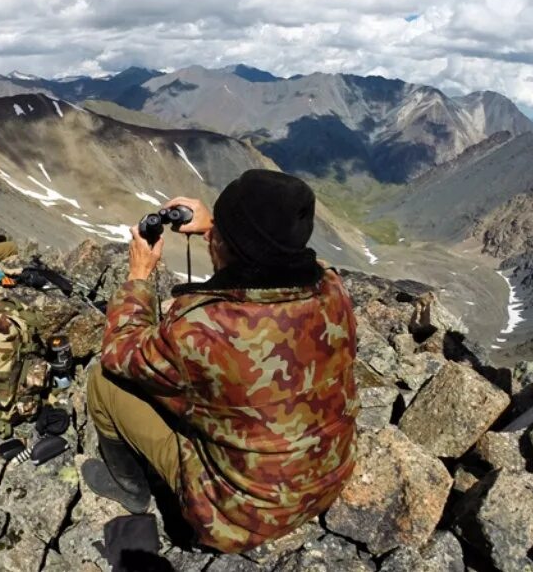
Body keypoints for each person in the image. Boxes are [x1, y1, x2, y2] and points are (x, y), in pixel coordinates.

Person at [82, 169, 358, 553]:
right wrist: (221, 225)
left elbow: (119, 353)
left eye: (217, 235)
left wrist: (139, 276)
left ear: (228, 246)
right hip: (331, 477)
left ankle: (129, 489)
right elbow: (277, 255)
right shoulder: (333, 287)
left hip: (241, 520)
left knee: (103, 383)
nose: (210, 237)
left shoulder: (203, 329)